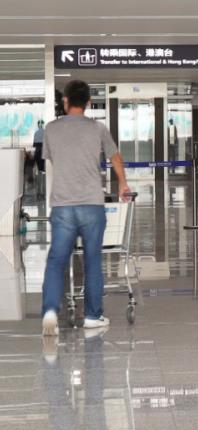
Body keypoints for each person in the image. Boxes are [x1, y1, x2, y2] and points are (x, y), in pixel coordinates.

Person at [41, 80, 131, 337]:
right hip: (92, 204)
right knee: (92, 260)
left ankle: (50, 311)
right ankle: (92, 316)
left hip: (63, 205)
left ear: (66, 101)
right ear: (89, 103)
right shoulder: (98, 128)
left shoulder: (51, 129)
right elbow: (115, 157)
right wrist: (123, 184)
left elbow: (52, 159)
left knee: (57, 260)